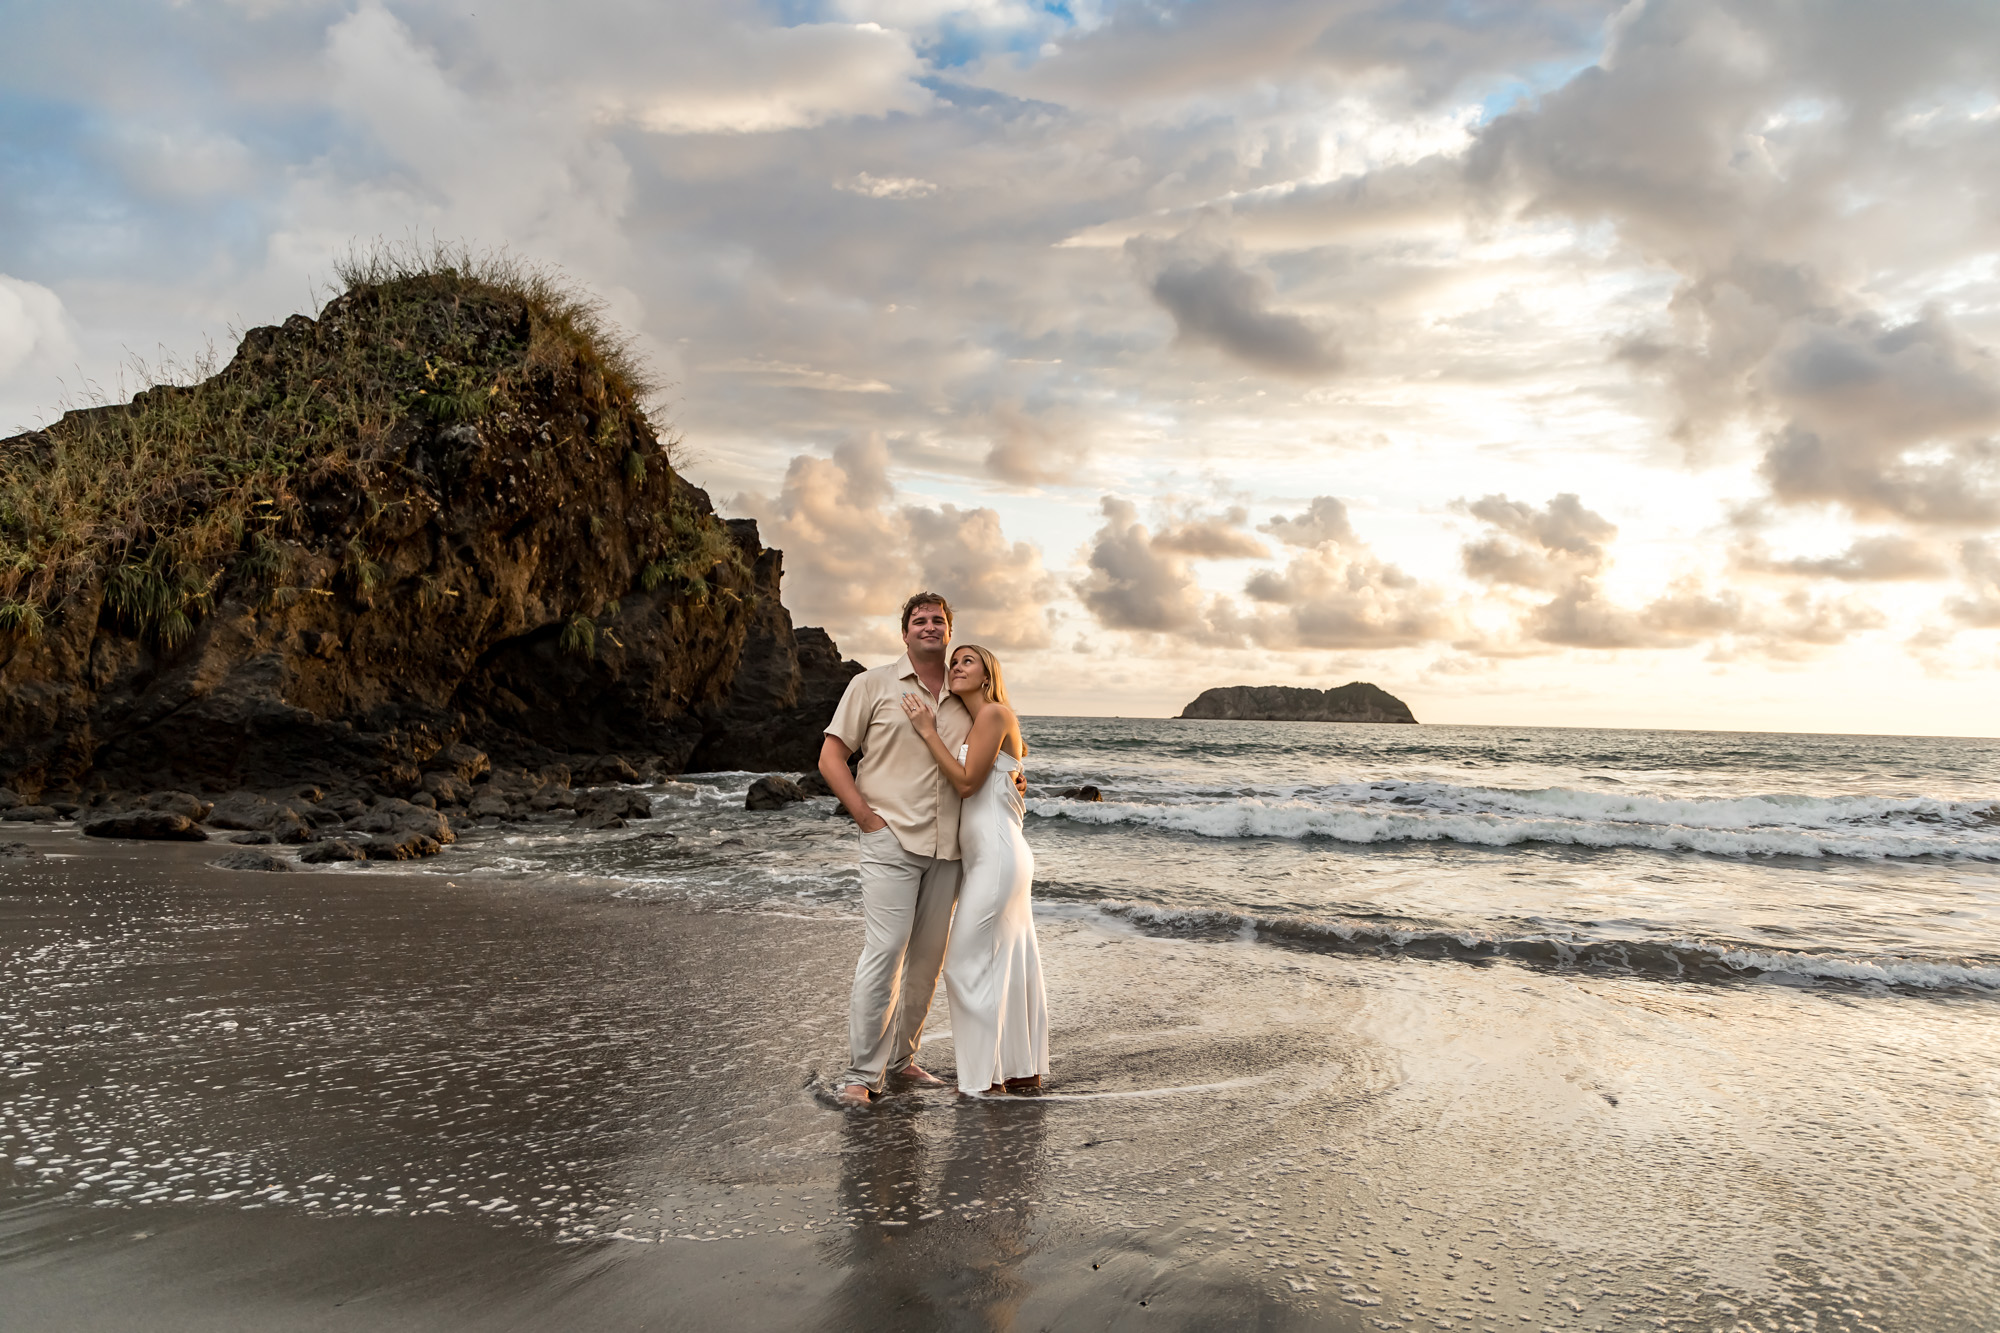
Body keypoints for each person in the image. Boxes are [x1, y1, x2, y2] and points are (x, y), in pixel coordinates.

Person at [817, 593, 970, 1107]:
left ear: (949, 631)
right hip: (891, 840)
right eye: (919, 620)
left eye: (938, 620)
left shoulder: (966, 692)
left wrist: (1014, 778)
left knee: (927, 962)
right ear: (905, 633)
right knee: (885, 952)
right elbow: (831, 757)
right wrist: (866, 818)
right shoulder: (872, 684)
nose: (929, 627)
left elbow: (994, 749)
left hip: (949, 847)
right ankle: (861, 1075)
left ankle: (903, 1061)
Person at [900, 644, 1049, 1095]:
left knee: (963, 965)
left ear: (988, 675)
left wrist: (927, 730)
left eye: (968, 661)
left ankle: (982, 1081)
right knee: (1009, 963)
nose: (957, 666)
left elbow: (966, 784)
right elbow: (1000, 780)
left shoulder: (994, 714)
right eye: (954, 662)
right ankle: (1018, 1072)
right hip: (992, 856)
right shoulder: (979, 721)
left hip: (998, 856)